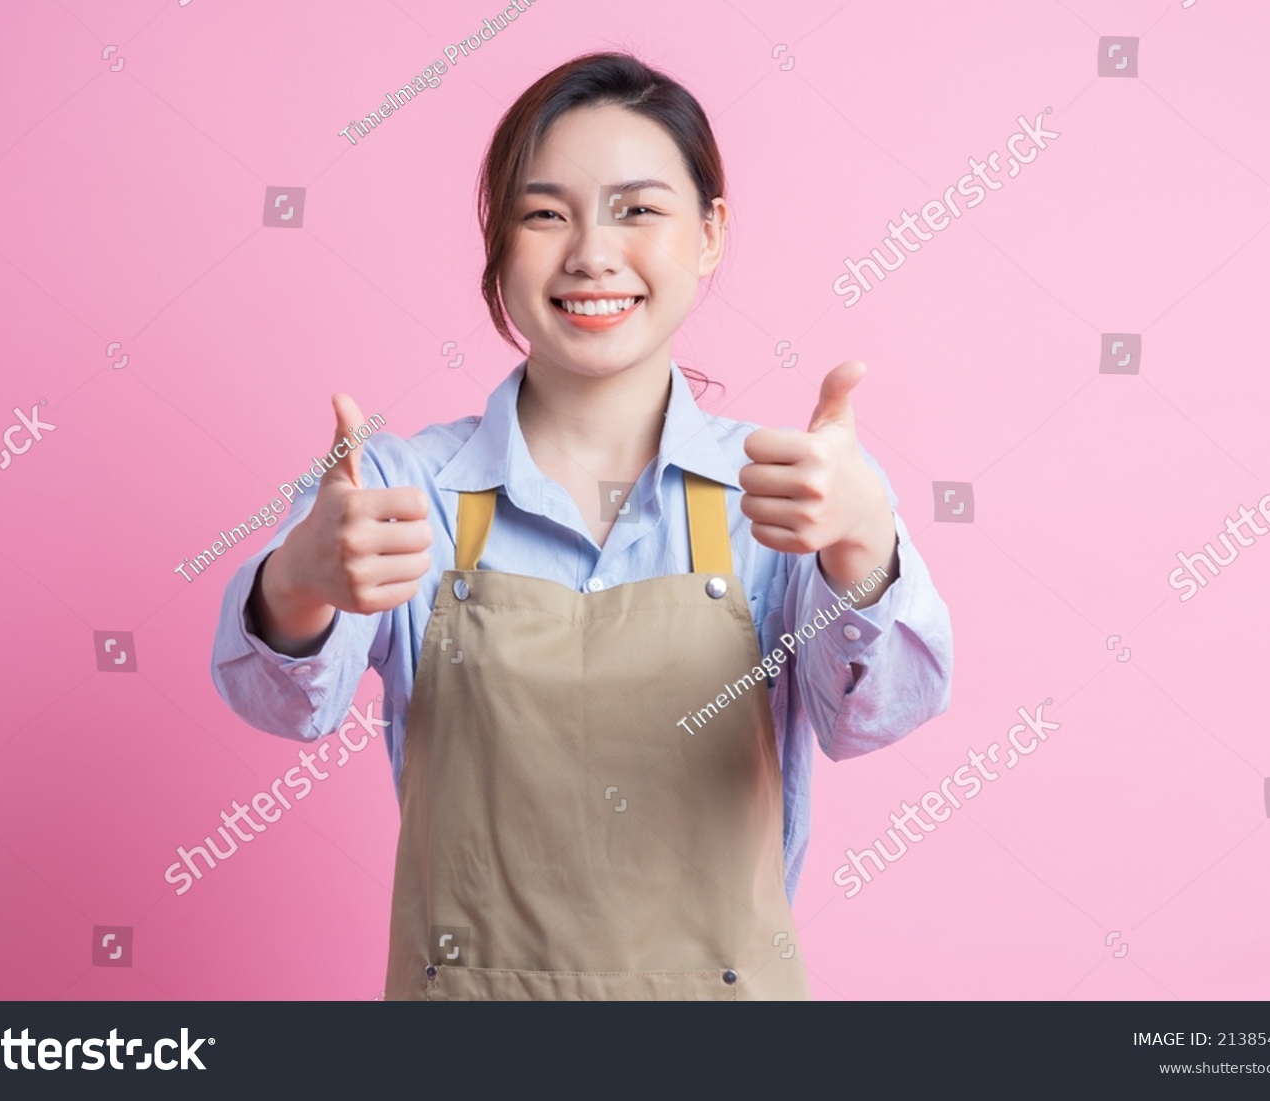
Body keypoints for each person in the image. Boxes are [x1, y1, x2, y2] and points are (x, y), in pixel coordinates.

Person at [212, 51, 952, 1000]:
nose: (591, 253)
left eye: (638, 209)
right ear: (499, 239)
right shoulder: (404, 489)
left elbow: (874, 715)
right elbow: (283, 705)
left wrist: (863, 541)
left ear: (711, 233)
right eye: (545, 212)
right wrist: (300, 580)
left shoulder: (787, 491)